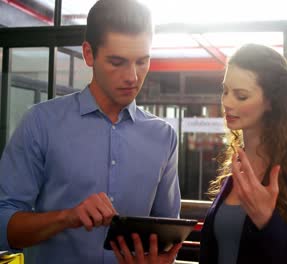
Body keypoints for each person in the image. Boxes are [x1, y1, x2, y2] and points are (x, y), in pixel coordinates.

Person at [0, 0, 181, 263]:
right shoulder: (40, 123)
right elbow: (3, 224)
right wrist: (67, 217)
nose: (132, 76)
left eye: (142, 61)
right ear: (88, 54)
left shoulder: (164, 137)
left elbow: (165, 236)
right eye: (117, 62)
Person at [199, 44, 287, 264]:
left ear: (271, 102)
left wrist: (268, 221)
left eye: (241, 96)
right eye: (225, 91)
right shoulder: (236, 164)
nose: (226, 102)